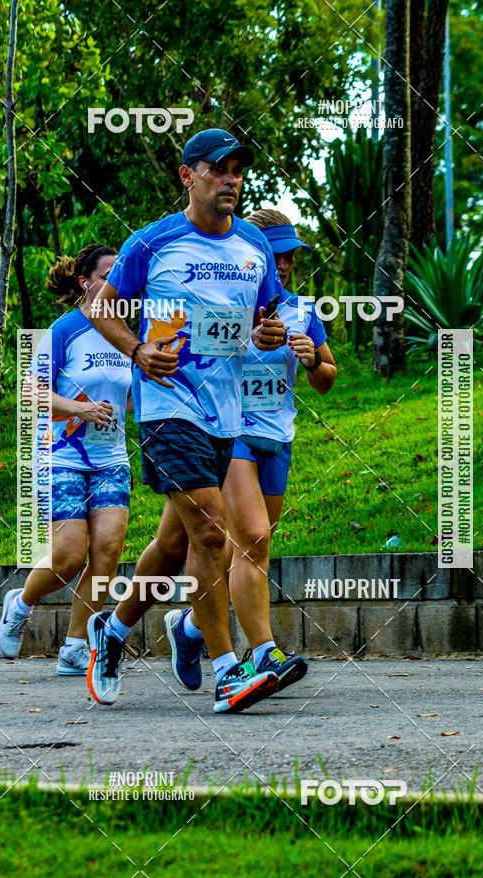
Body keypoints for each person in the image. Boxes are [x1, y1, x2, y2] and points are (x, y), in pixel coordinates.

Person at [85, 128, 287, 713]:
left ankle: (114, 631)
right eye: (218, 169)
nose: (231, 180)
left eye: (238, 171)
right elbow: (99, 305)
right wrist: (137, 350)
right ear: (187, 176)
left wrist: (268, 331)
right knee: (211, 534)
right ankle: (230, 671)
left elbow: (266, 317)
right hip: (169, 405)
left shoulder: (255, 246)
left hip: (227, 413)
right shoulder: (154, 242)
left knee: (174, 545)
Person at [0, 244, 133, 676]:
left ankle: (75, 646)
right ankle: (21, 603)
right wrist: (81, 410)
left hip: (111, 457)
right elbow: (30, 393)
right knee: (69, 555)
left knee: (107, 550)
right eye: (107, 275)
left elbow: (131, 396)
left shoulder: (128, 333)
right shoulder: (64, 330)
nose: (115, 284)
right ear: (85, 282)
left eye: (119, 277)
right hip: (62, 454)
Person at [222, 209, 337, 691]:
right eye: (275, 254)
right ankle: (265, 653)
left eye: (290, 255)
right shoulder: (223, 303)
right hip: (230, 433)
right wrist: (242, 338)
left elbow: (327, 380)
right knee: (252, 538)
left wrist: (313, 359)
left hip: (279, 438)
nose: (285, 263)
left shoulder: (304, 310)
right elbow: (192, 362)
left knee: (255, 547)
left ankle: (190, 626)